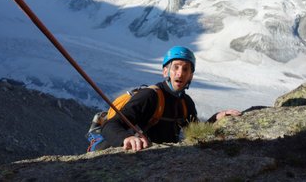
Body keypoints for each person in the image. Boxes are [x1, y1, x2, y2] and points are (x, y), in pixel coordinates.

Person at [99, 46, 241, 151]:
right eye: (176, 67)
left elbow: (197, 131)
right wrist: (126, 138)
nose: (180, 73)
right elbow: (109, 125)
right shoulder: (150, 96)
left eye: (186, 69)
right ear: (165, 71)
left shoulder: (186, 103)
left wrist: (217, 117)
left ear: (191, 75)